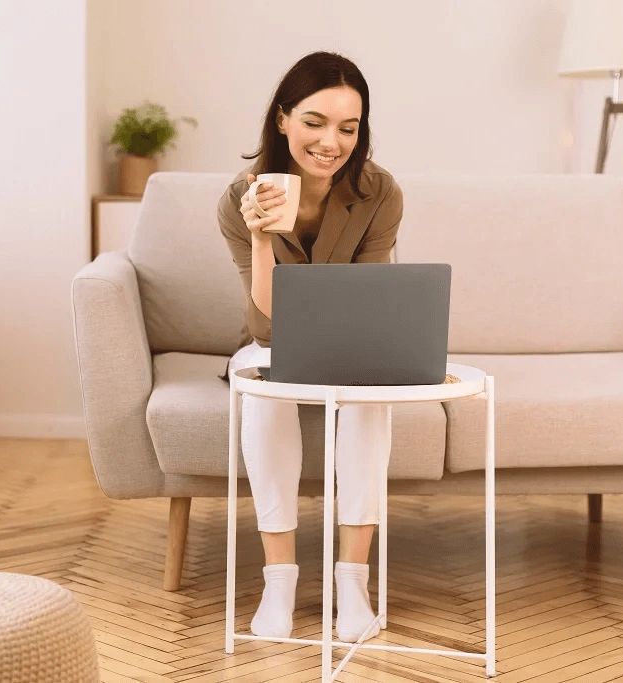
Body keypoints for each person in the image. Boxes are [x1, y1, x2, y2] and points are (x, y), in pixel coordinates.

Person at [217, 51, 403, 643]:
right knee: (265, 395)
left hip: (351, 344)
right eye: (314, 122)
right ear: (282, 120)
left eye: (349, 128)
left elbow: (372, 301)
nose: (331, 142)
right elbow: (268, 329)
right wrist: (262, 239)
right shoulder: (238, 198)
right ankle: (280, 580)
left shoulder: (379, 193)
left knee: (370, 395)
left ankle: (353, 581)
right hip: (269, 346)